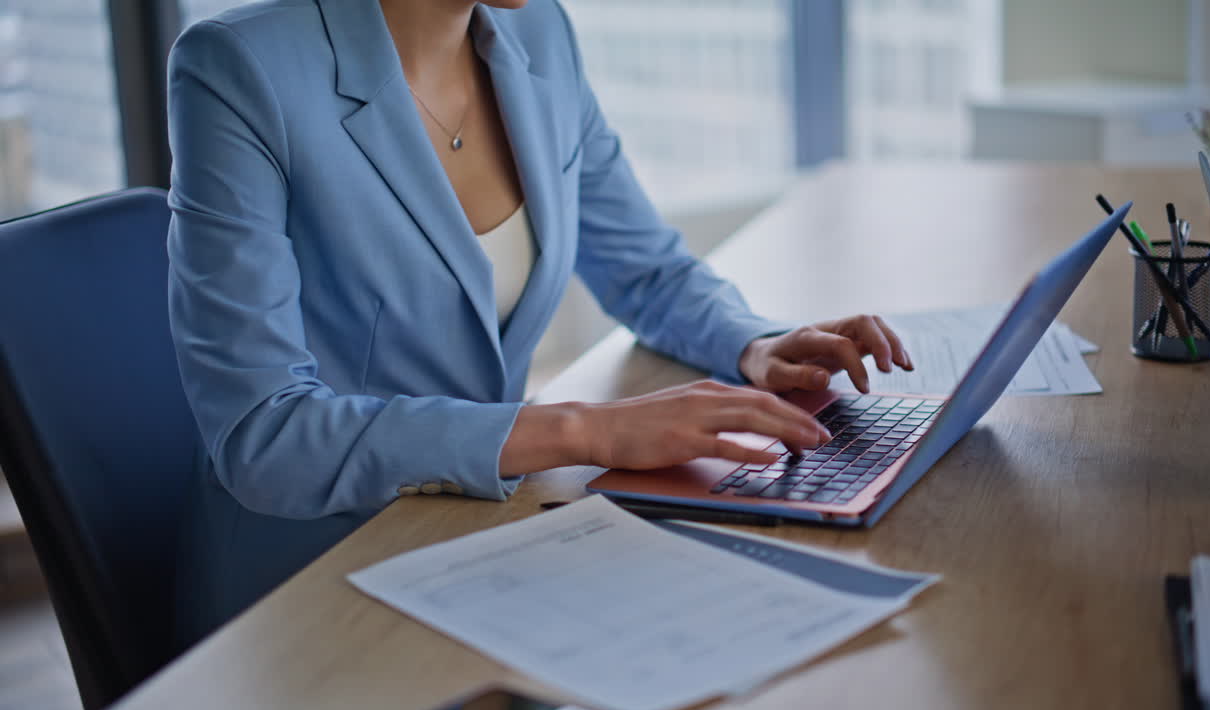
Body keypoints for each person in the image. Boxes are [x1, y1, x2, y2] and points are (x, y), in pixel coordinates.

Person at [166, 0, 913, 643]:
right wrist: (583, 431)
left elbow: (643, 268)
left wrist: (753, 344)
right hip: (314, 583)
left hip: (480, 538)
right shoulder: (240, 70)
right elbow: (263, 435)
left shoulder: (537, 33)